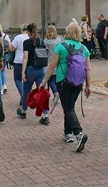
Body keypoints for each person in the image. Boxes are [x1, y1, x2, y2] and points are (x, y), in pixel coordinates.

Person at [39, 22, 92, 152]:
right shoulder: (84, 48)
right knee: (70, 107)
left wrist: (44, 81)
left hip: (63, 81)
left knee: (68, 108)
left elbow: (51, 66)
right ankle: (67, 133)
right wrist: (88, 86)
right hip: (78, 82)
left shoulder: (60, 47)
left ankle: (79, 134)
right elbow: (88, 68)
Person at [17, 23, 50, 125]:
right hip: (41, 69)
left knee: (26, 90)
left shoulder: (27, 42)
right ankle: (45, 115)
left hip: (31, 69)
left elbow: (25, 57)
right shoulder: (42, 41)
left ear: (28, 32)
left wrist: (23, 72)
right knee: (42, 91)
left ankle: (23, 111)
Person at [42, 24, 63, 96]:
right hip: (59, 62)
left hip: (50, 62)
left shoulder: (46, 41)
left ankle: (55, 92)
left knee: (50, 79)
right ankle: (58, 92)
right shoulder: (60, 39)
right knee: (58, 80)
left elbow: (45, 52)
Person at [9, 24, 28, 101]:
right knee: (27, 80)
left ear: (22, 29)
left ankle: (22, 93)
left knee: (17, 79)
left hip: (18, 60)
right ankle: (25, 94)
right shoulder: (31, 37)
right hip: (28, 61)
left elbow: (11, 48)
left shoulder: (18, 37)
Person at [0, 22, 10, 95]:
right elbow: (9, 45)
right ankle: (5, 85)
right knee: (3, 70)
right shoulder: (5, 35)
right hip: (5, 54)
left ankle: (0, 88)